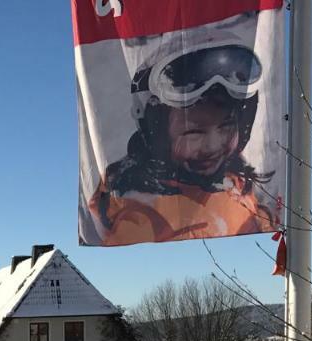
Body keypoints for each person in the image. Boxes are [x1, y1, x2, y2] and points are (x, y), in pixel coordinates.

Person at [86, 46, 278, 245]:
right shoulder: (139, 215)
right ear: (158, 133)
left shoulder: (234, 180)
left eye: (226, 127)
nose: (212, 146)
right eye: (193, 133)